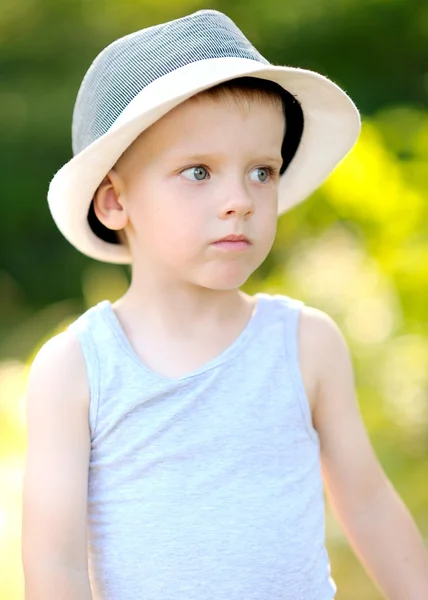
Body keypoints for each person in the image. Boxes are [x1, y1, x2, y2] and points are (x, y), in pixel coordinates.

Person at [21, 9, 428, 600]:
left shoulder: (305, 344)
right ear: (113, 201)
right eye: (198, 171)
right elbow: (53, 566)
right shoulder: (78, 369)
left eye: (262, 171)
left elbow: (368, 505)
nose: (240, 200)